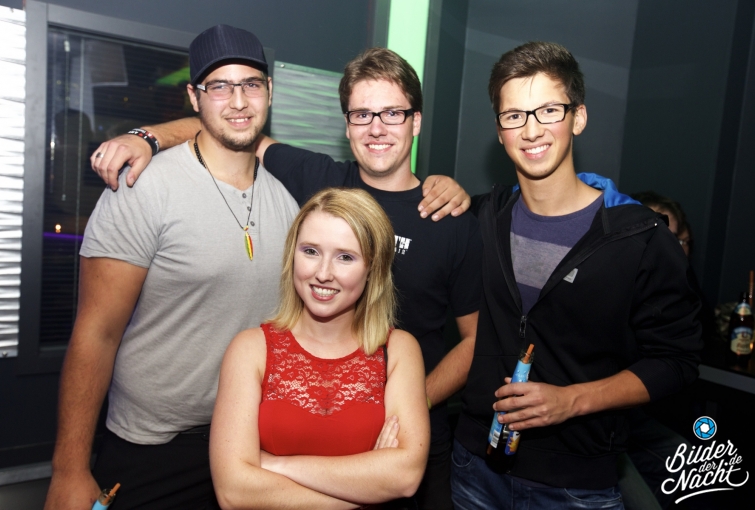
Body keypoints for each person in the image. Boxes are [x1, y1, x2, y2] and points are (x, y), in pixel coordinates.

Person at [92, 47, 482, 510]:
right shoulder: (318, 181)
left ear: (415, 122)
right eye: (361, 114)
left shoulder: (449, 217)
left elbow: (474, 339)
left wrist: (405, 403)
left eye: (392, 113)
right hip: (306, 428)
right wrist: (147, 138)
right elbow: (234, 126)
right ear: (346, 125)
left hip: (404, 436)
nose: (376, 128)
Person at [43, 25, 303, 510]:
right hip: (152, 449)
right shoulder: (144, 188)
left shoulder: (289, 198)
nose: (238, 101)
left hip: (253, 442)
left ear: (269, 91)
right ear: (194, 96)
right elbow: (96, 333)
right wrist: (69, 469)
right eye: (219, 86)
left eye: (251, 84)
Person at [451, 42, 702, 509]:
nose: (531, 130)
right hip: (475, 470)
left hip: (575, 485)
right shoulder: (482, 218)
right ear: (500, 132)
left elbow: (676, 362)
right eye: (514, 116)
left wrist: (573, 400)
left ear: (578, 117)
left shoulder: (639, 238)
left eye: (549, 110)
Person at [211, 187, 430, 508]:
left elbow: (405, 477)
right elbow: (234, 492)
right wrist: (366, 490)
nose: (323, 274)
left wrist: (276, 465)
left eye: (345, 257)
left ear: (373, 268)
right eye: (311, 251)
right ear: (292, 255)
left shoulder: (398, 350)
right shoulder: (250, 349)